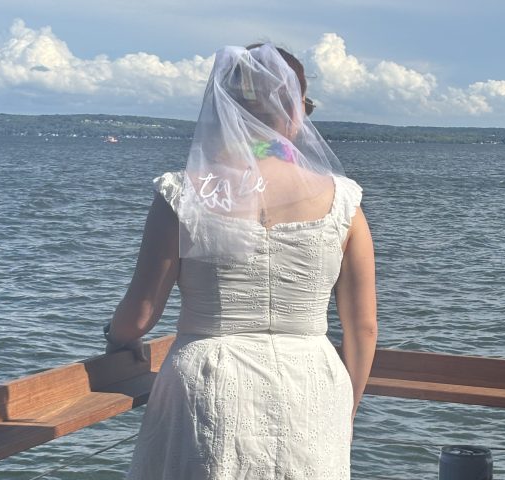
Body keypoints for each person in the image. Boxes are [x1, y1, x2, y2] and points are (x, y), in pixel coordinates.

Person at [104, 43, 377, 479]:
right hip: (312, 386)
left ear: (223, 104)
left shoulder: (182, 194)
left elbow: (140, 315)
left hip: (209, 382)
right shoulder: (344, 201)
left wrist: (116, 339)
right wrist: (345, 409)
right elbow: (362, 328)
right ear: (296, 108)